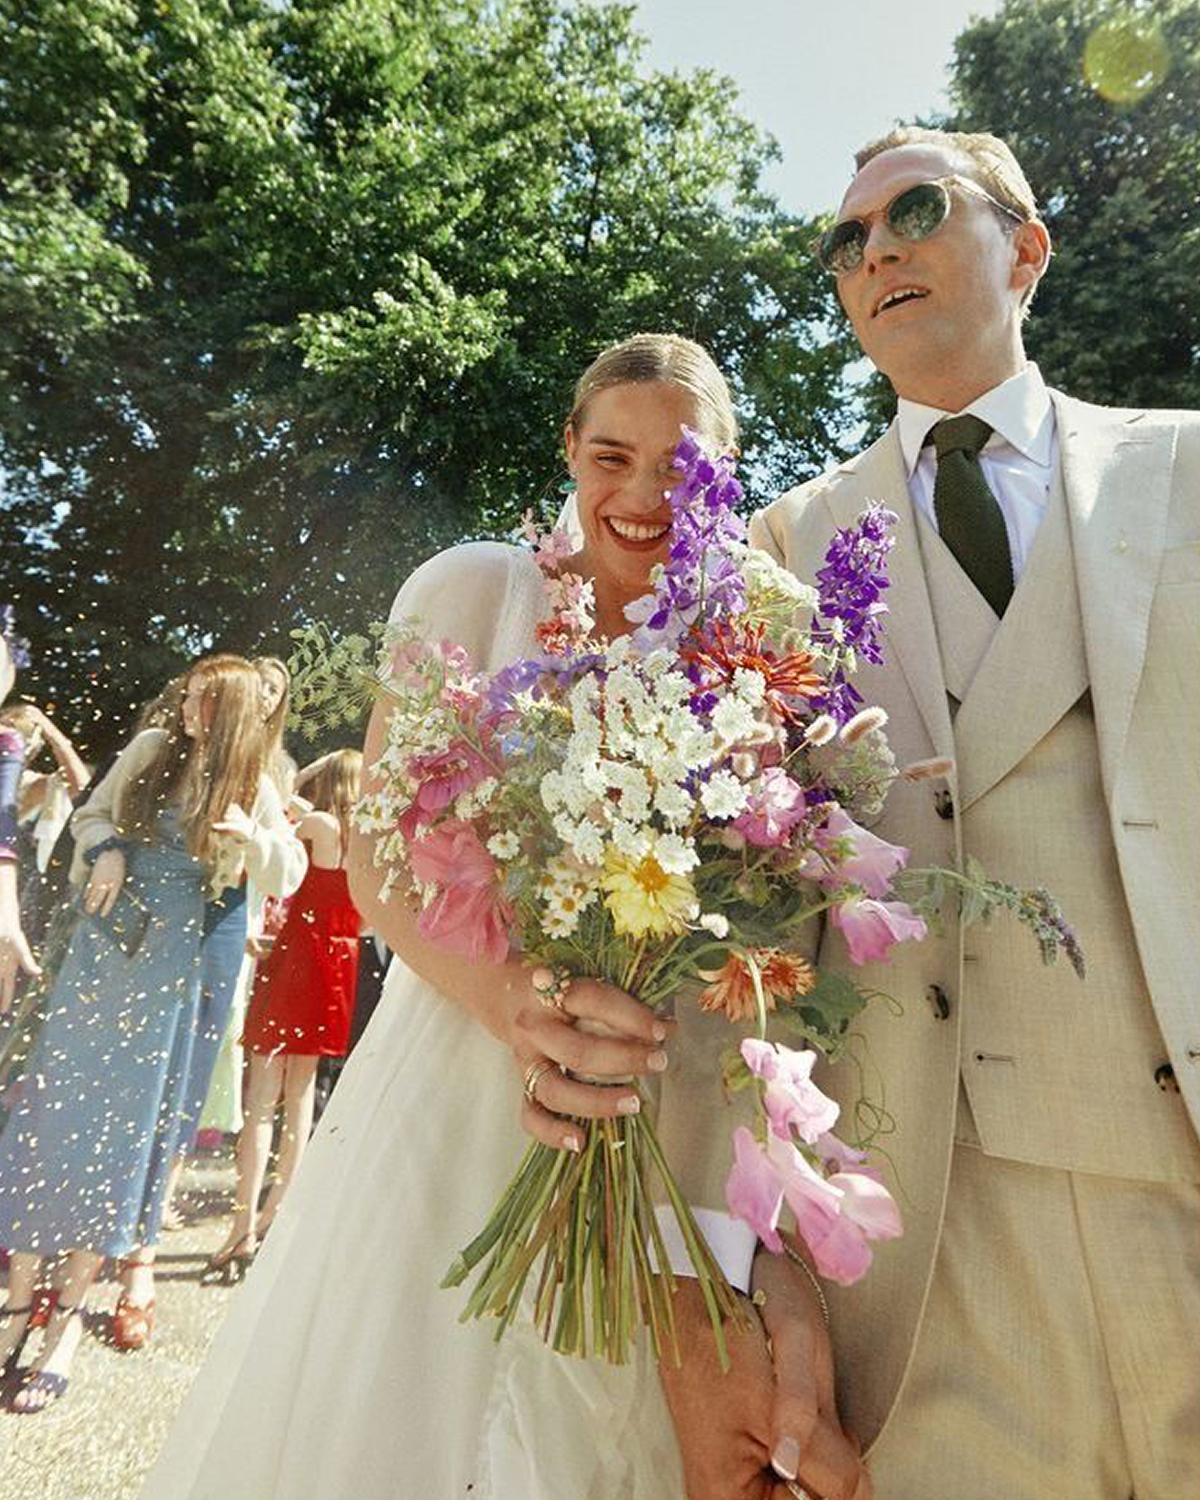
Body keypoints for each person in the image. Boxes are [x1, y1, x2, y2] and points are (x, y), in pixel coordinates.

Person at [137, 334, 868, 1500]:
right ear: (570, 449)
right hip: (461, 1062)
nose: (641, 495)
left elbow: (777, 897)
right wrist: (513, 1006)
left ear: (727, 476)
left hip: (655, 1086)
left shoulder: (764, 630)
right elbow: (379, 862)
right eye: (611, 456)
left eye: (680, 469)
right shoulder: (471, 589)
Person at [750, 126, 1200, 1499]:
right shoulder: (784, 544)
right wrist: (766, 1277)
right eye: (846, 241)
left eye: (916, 211)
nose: (874, 251)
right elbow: (757, 916)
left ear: (1028, 247)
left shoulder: (1185, 470)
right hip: (932, 1231)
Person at [0, 653, 306, 1411]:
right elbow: (90, 813)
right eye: (190, 698)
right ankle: (18, 1304)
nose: (189, 712)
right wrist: (106, 850)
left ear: (234, 715)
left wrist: (253, 838)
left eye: (207, 703)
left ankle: (66, 1322)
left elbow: (290, 871)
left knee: (124, 1137)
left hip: (172, 971)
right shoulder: (148, 749)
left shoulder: (255, 783)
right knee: (54, 1117)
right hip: (102, 951)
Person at [204, 748, 364, 1279]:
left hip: (299, 959)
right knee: (300, 1098)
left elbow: (283, 850)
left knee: (261, 1101)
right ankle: (275, 1215)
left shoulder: (316, 824)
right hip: (339, 964)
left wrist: (308, 778)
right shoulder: (365, 835)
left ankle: (241, 1226)